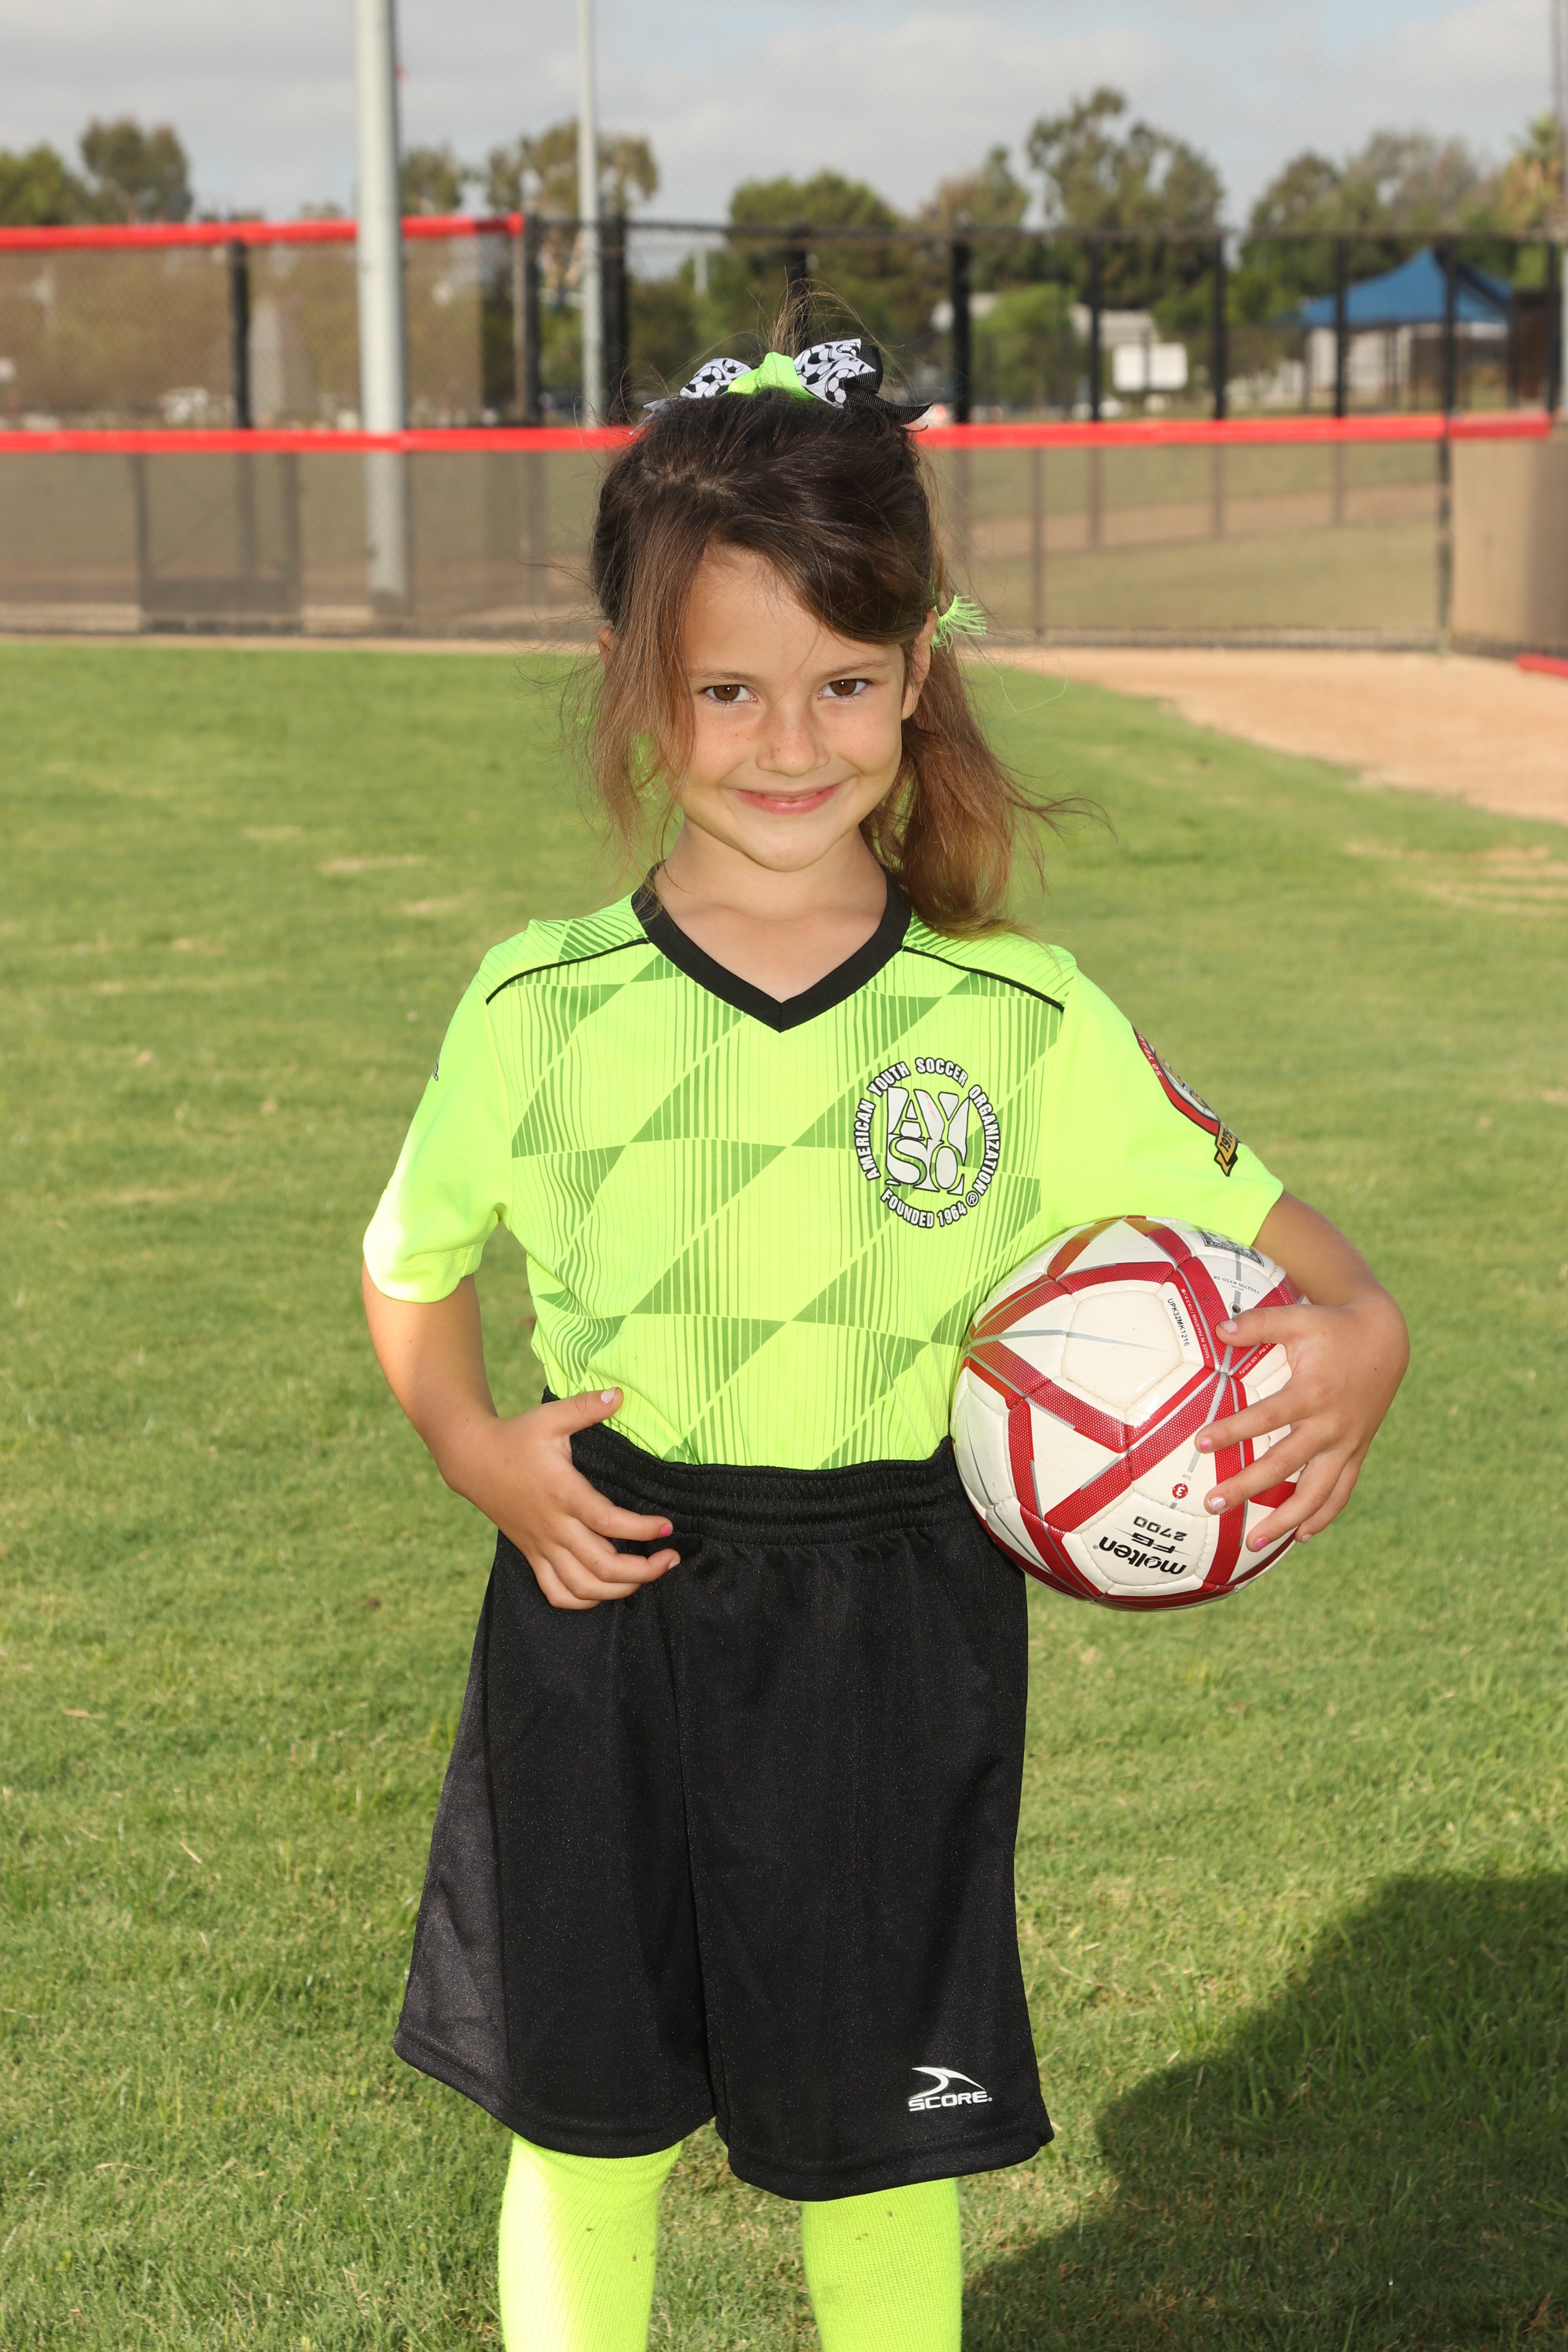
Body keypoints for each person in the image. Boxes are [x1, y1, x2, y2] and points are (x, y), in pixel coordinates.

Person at [360, 332, 1409, 2352]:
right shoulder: (535, 1007)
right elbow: (410, 1265)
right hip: (604, 1603)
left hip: (892, 1624)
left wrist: (1366, 1330)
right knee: (586, 2132)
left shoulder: (1023, 1019)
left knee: (880, 2145)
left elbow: (1291, 1240)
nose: (789, 740)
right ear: (640, 683)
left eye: (844, 682)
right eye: (728, 690)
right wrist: (475, 1447)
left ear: (920, 670)